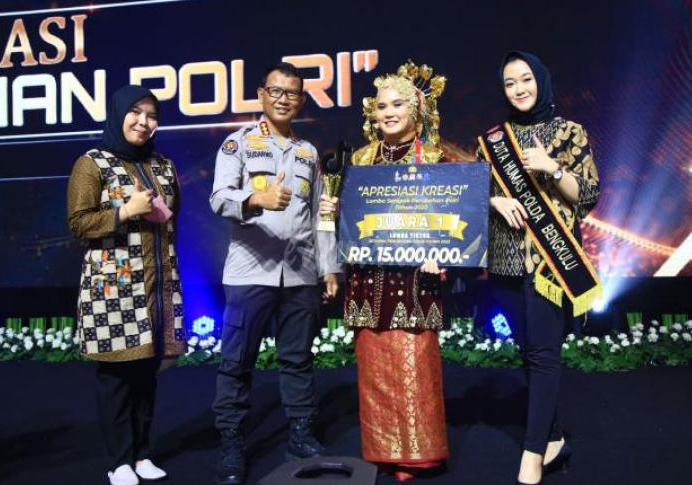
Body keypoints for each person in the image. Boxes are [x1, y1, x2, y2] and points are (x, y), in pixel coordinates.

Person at [209, 62, 342, 485]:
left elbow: (321, 217)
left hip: (300, 274)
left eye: (293, 93)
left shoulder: (308, 153)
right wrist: (256, 199)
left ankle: (300, 434)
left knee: (298, 359)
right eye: (276, 91)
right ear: (262, 95)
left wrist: (330, 267)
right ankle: (232, 442)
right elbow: (218, 198)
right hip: (250, 273)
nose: (284, 99)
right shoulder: (238, 143)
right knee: (237, 362)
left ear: (301, 100)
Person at [478, 51, 600, 484]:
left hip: (550, 262)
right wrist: (495, 200)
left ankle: (531, 456)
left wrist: (553, 168)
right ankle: (553, 439)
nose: (519, 89)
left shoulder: (569, 132)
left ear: (541, 81)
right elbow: (474, 194)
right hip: (506, 259)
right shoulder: (494, 140)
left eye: (526, 79)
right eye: (510, 83)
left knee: (545, 354)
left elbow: (588, 196)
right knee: (528, 352)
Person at [67, 85, 185, 485]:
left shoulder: (163, 164)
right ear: (118, 114)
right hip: (113, 290)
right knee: (117, 378)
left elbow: (173, 220)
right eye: (135, 112)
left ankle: (141, 454)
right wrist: (125, 211)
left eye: (152, 115)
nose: (143, 122)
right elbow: (78, 223)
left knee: (147, 374)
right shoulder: (92, 163)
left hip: (158, 282)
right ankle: (118, 461)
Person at [339, 61, 449, 481]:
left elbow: (452, 215)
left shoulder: (435, 157)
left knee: (414, 363)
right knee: (374, 368)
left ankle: (419, 454)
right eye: (381, 105)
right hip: (368, 277)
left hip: (415, 277)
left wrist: (441, 249)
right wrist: (333, 210)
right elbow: (351, 219)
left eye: (397, 104)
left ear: (415, 109)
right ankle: (382, 450)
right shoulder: (360, 159)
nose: (388, 112)